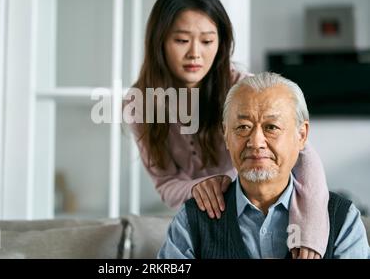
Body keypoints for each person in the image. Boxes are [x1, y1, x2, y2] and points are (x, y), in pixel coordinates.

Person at [124, 0, 328, 258]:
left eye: (207, 41)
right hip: (202, 214)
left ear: (221, 43)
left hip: (262, 204)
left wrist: (310, 229)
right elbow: (166, 183)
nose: (195, 53)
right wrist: (200, 187)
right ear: (159, 41)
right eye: (182, 40)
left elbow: (304, 155)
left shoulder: (243, 89)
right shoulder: (138, 104)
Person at [158, 72, 370, 259]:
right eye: (243, 127)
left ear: (302, 135)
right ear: (226, 135)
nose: (256, 142)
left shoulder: (342, 219)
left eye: (271, 127)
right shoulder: (193, 220)